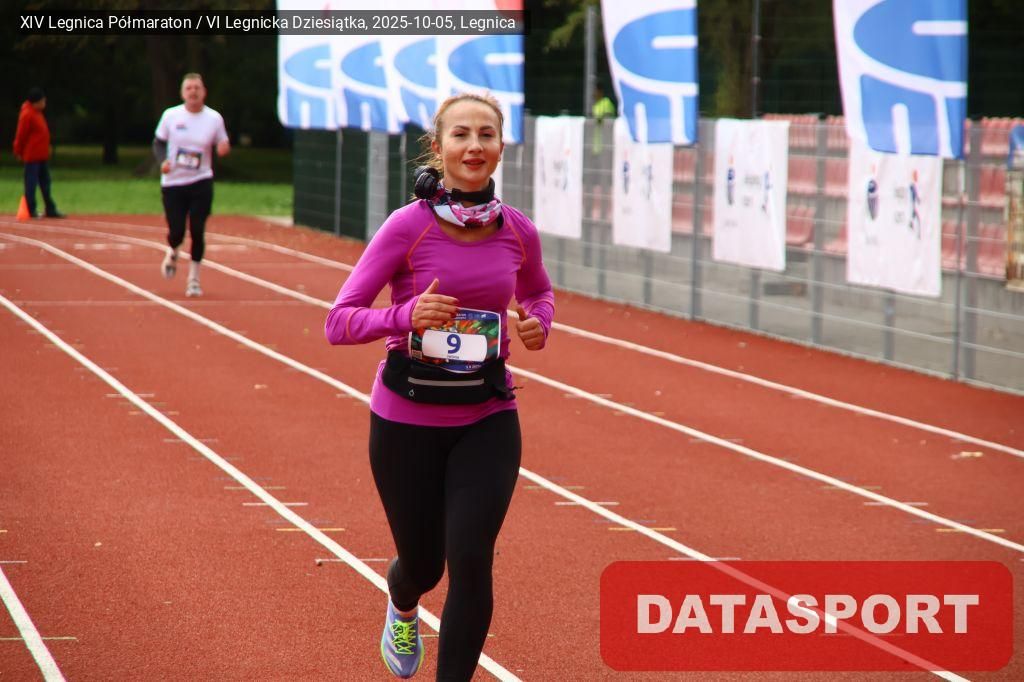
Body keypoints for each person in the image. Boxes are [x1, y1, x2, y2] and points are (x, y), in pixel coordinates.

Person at [324, 93, 554, 681]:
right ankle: (403, 601)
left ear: (501, 146)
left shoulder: (518, 231)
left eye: (486, 135)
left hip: (487, 416)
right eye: (461, 135)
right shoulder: (408, 226)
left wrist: (537, 322)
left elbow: (538, 292)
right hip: (407, 419)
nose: (474, 146)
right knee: (424, 566)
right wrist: (405, 317)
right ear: (439, 147)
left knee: (471, 560)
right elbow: (339, 321)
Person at [153, 73, 230, 297]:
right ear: (182, 93)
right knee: (176, 231)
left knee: (197, 230)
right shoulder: (171, 115)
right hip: (173, 183)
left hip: (201, 181)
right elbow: (158, 143)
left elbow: (223, 142)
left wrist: (223, 148)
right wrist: (163, 162)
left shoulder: (214, 118)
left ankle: (194, 279)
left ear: (204, 92)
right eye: (189, 88)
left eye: (197, 87)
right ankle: (173, 250)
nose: (193, 92)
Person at [12, 87, 64, 219]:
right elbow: (21, 135)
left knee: (46, 183)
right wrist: (18, 151)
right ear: (36, 102)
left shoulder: (37, 113)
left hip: (41, 155)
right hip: (32, 156)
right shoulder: (27, 114)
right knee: (31, 183)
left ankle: (50, 208)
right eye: (42, 100)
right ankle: (31, 209)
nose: (44, 102)